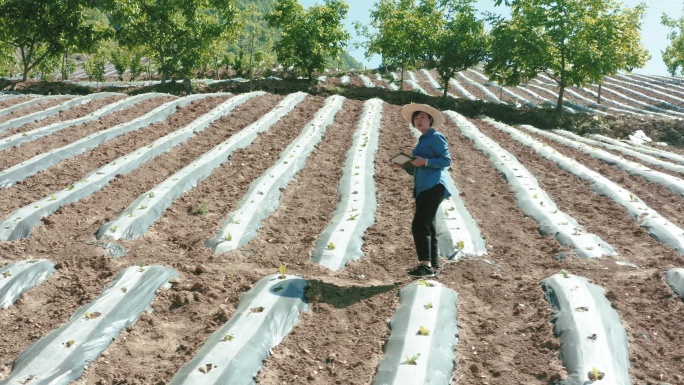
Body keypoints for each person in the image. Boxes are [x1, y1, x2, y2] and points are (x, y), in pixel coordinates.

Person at [396, 103, 452, 278]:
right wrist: (406, 165)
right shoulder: (422, 141)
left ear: (430, 120)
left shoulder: (436, 137)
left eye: (422, 117)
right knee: (429, 226)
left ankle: (425, 265)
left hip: (433, 185)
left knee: (419, 224)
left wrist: (425, 162)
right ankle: (432, 266)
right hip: (423, 187)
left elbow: (446, 160)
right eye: (416, 118)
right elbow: (418, 167)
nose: (418, 120)